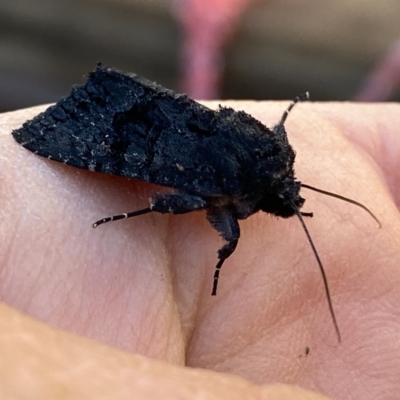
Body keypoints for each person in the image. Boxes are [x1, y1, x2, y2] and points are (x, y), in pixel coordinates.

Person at [1, 101, 399, 399]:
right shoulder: (232, 181)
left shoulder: (269, 156)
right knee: (220, 225)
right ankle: (127, 212)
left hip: (170, 114)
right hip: (121, 137)